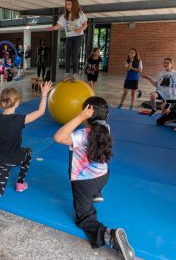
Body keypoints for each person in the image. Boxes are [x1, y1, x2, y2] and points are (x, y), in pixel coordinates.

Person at [53, 96, 135, 260]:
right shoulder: (105, 129)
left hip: (84, 183)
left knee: (84, 218)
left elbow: (58, 137)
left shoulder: (82, 135)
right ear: (106, 116)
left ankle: (109, 235)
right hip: (103, 177)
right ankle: (97, 192)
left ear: (87, 114)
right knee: (75, 153)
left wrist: (80, 117)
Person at [0, 81, 53, 228]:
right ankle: (20, 183)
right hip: (17, 157)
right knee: (28, 152)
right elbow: (40, 112)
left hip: (2, 161)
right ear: (17, 102)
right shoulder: (19, 120)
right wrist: (44, 95)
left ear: (1, 102)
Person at [47, 0, 88, 80]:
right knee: (67, 54)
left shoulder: (79, 13)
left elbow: (85, 24)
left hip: (78, 36)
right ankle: (67, 73)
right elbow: (58, 25)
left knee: (74, 54)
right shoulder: (64, 16)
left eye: (69, 4)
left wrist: (80, 29)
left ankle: (75, 74)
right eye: (66, 4)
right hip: (69, 37)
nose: (67, 6)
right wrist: (53, 28)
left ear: (74, 4)